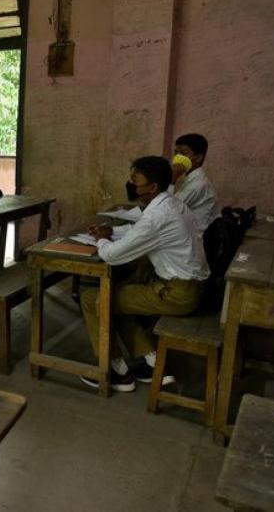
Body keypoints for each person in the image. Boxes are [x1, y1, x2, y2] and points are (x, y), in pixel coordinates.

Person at [80, 156, 210, 392]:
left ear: (153, 187)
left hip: (177, 293)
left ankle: (113, 371)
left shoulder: (158, 215)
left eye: (136, 181)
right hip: (187, 287)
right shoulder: (170, 204)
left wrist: (101, 240)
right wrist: (112, 230)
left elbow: (112, 255)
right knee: (120, 296)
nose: (132, 186)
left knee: (95, 299)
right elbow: (139, 230)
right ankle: (152, 363)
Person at [170, 133, 220, 232]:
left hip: (195, 239)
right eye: (176, 153)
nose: (177, 157)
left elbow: (168, 210)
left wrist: (173, 179)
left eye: (183, 153)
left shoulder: (198, 184)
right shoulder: (189, 179)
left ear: (198, 158)